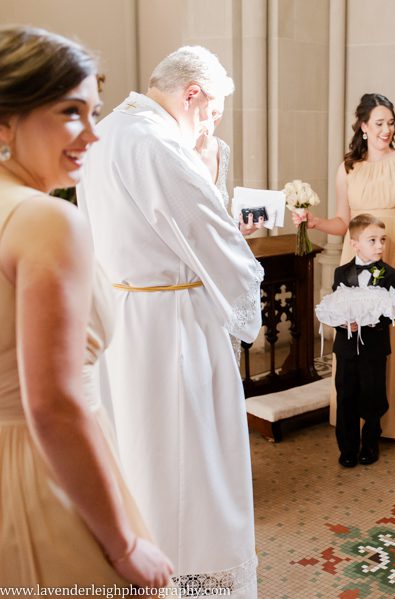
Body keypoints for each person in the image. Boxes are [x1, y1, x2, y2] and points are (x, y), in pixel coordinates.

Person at [77, 46, 263, 596]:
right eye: (212, 113)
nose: (210, 126)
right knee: (192, 467)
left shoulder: (106, 132)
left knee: (139, 454)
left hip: (125, 320)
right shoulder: (160, 145)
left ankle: (144, 570)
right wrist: (210, 172)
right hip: (174, 327)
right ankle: (188, 577)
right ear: (192, 95)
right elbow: (217, 244)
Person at [0, 26, 172, 587]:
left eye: (95, 112)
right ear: (7, 120)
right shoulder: (46, 220)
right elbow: (52, 404)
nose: (93, 136)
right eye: (72, 112)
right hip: (43, 474)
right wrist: (123, 547)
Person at [293, 92, 395, 441]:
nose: (386, 130)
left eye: (391, 123)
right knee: (356, 338)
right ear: (364, 127)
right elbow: (343, 221)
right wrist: (315, 222)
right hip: (356, 262)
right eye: (379, 123)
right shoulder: (348, 168)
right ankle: (354, 421)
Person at [330, 214, 395, 467]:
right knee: (345, 395)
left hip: (374, 348)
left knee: (372, 395)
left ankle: (370, 443)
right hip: (346, 347)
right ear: (355, 243)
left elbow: (391, 312)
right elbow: (334, 306)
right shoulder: (340, 273)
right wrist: (342, 322)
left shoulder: (389, 275)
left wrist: (369, 321)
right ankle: (347, 448)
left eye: (383, 240)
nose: (380, 245)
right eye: (372, 240)